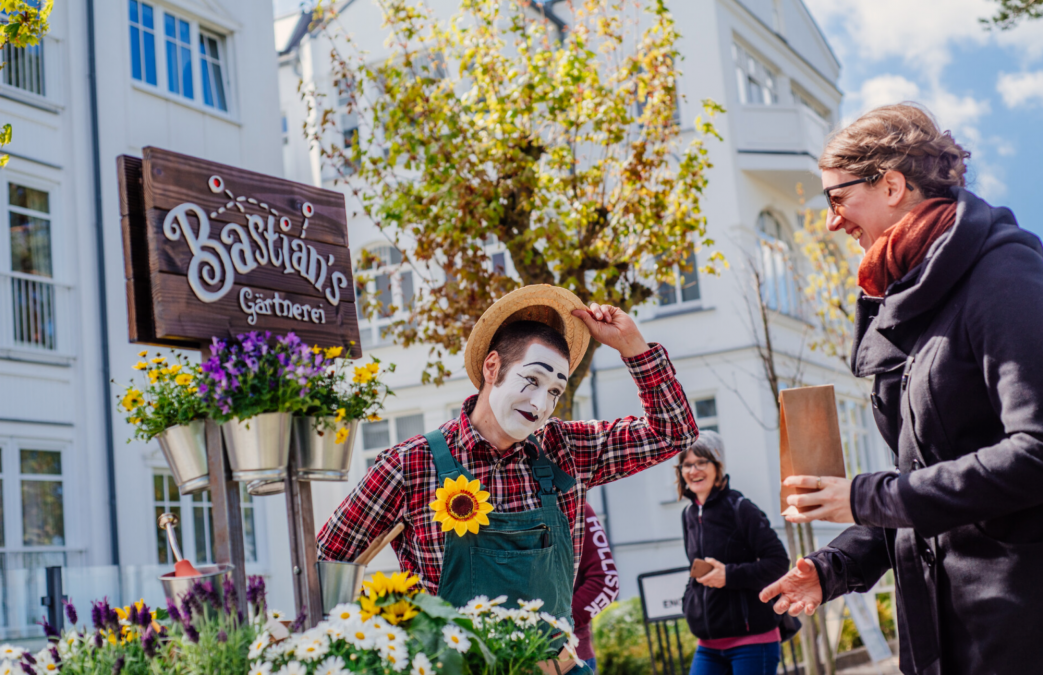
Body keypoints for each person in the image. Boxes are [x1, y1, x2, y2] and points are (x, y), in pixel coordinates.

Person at [759, 103, 1043, 675]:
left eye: (837, 198)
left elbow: (1035, 452)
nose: (833, 221)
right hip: (938, 636)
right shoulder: (906, 297)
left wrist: (866, 495)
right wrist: (834, 566)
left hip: (1017, 631)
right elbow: (924, 483)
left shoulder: (1004, 274)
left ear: (891, 185)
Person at [317, 285, 698, 671]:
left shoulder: (567, 450)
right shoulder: (410, 465)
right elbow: (326, 565)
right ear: (493, 367)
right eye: (532, 380)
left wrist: (633, 346)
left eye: (554, 391)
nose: (540, 404)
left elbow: (675, 432)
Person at [678, 431, 789, 675]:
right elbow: (695, 569)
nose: (693, 470)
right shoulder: (688, 515)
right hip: (708, 644)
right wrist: (690, 604)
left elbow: (779, 562)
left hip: (753, 641)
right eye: (687, 464)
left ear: (718, 466)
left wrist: (729, 575)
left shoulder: (741, 508)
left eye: (701, 462)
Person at [572, 502, 619, 673]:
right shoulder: (486, 504)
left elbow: (606, 582)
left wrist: (558, 624)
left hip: (572, 658)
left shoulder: (577, 506)